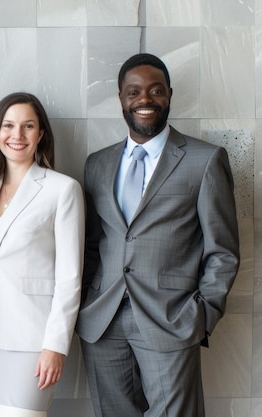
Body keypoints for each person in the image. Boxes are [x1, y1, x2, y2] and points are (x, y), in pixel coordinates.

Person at [76, 53, 240, 417]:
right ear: (121, 98)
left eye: (155, 91)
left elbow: (223, 252)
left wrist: (201, 315)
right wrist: (87, 300)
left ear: (169, 95)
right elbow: (90, 245)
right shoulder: (97, 164)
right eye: (134, 92)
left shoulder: (205, 160)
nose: (144, 100)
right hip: (103, 322)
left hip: (172, 319)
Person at [0, 92, 85, 417]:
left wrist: (56, 346)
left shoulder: (62, 189)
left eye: (28, 126)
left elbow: (70, 279)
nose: (17, 135)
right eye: (9, 125)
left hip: (32, 340)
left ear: (41, 135)